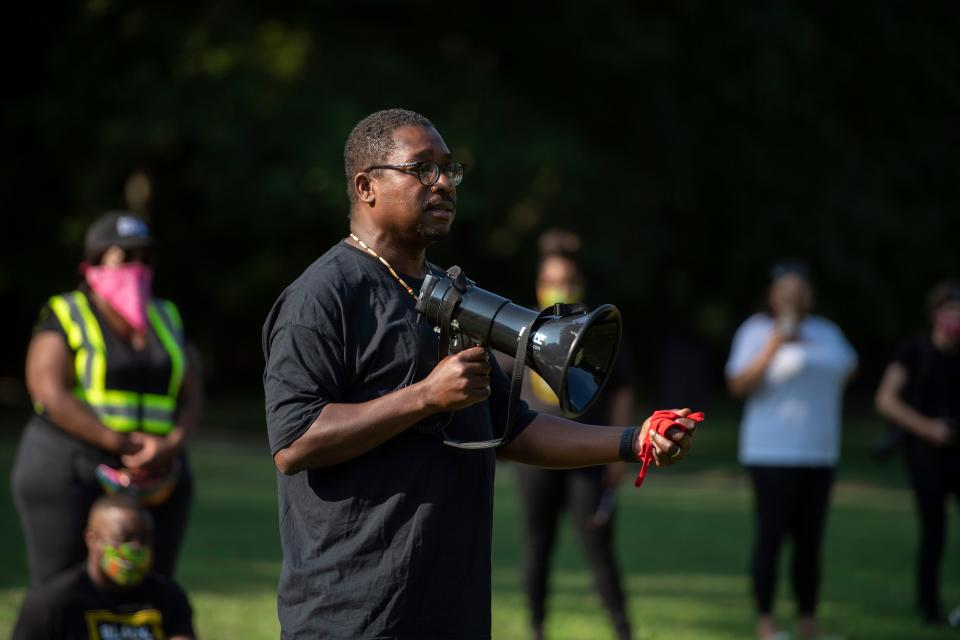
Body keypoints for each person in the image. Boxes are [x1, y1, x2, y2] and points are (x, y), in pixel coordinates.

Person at [262, 108, 700, 639]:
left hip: (454, 611)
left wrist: (635, 440)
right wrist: (426, 397)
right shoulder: (322, 296)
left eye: (450, 170)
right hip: (353, 614)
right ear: (366, 185)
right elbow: (294, 441)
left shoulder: (454, 299)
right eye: (422, 169)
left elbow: (510, 427)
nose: (443, 182)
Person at [12, 212, 200, 585]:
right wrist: (118, 442)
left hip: (158, 473)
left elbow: (192, 392)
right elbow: (47, 390)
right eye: (124, 257)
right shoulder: (66, 312)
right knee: (63, 589)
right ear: (93, 262)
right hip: (71, 468)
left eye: (146, 258)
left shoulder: (166, 316)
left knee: (152, 587)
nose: (137, 267)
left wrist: (172, 443)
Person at [501, 229, 636, 640]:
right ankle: (537, 627)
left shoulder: (597, 328)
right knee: (537, 544)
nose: (560, 288)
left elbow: (624, 386)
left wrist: (620, 452)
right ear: (540, 285)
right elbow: (498, 382)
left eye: (568, 281)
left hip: (587, 453)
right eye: (553, 281)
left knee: (598, 546)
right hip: (536, 453)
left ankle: (622, 629)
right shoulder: (519, 327)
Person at [725, 262, 857, 640]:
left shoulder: (827, 332)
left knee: (810, 543)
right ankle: (765, 622)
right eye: (785, 291)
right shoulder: (755, 331)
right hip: (770, 454)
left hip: (819, 453)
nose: (792, 298)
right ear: (773, 294)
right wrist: (774, 344)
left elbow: (849, 369)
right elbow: (737, 384)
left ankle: (808, 623)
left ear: (809, 296)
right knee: (771, 538)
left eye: (799, 291)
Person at [874, 279, 960, 626]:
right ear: (935, 314)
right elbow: (886, 399)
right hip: (925, 451)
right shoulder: (915, 349)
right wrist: (927, 428)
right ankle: (929, 606)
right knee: (934, 528)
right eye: (950, 310)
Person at [13, 494, 196, 640]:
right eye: (123, 539)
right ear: (92, 539)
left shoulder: (168, 596)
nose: (135, 548)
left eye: (144, 539)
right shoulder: (52, 604)